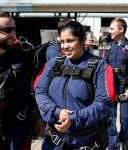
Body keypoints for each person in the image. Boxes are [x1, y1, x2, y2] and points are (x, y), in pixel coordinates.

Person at [35, 21, 119, 150]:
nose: (65, 46)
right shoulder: (53, 63)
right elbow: (40, 92)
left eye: (70, 41)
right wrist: (57, 113)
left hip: (85, 142)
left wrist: (73, 118)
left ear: (83, 40)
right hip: (53, 142)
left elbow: (103, 103)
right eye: (62, 42)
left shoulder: (99, 66)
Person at [0, 11, 34, 150]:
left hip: (21, 126)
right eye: (8, 30)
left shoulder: (25, 54)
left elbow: (40, 86)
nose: (13, 34)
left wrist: (40, 116)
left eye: (14, 28)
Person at [107, 18, 128, 150]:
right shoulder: (111, 46)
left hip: (125, 89)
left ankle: (125, 144)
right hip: (112, 88)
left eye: (112, 28)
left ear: (121, 29)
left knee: (125, 121)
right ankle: (113, 146)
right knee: (110, 119)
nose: (109, 31)